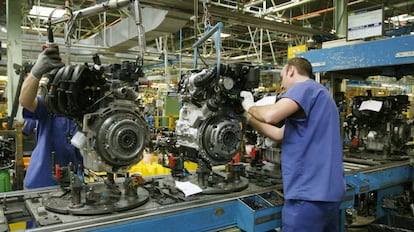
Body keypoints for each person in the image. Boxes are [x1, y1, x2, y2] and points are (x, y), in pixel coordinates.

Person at [240, 57, 345, 232]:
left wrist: (250, 106)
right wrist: (249, 120)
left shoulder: (305, 88)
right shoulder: (322, 95)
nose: (281, 86)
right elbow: (279, 134)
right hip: (329, 194)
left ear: (291, 71)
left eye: (281, 78)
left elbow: (271, 115)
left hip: (307, 194)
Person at [19, 47, 83, 189]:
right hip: (42, 183)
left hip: (73, 184)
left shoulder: (82, 111)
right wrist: (36, 72)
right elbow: (25, 101)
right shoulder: (48, 105)